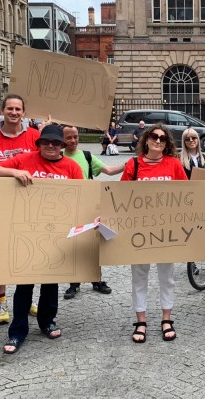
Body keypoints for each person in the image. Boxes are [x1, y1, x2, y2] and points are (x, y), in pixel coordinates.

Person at [0, 124, 84, 354]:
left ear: (63, 145)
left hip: (55, 232)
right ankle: (18, 331)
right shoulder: (24, 159)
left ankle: (47, 321)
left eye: (56, 142)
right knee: (24, 283)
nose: (51, 146)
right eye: (46, 142)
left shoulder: (71, 167)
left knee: (51, 281)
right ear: (38, 143)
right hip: (25, 231)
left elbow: (82, 197)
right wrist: (14, 172)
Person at [0, 94, 41, 324]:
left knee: (28, 251)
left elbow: (46, 162)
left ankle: (28, 298)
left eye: (18, 109)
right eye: (10, 108)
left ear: (24, 112)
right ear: (3, 110)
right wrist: (11, 172)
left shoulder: (35, 136)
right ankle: (1, 302)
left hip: (28, 202)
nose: (14, 112)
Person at [121, 123, 188, 343]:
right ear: (146, 139)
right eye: (153, 136)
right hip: (139, 231)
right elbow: (120, 198)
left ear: (167, 143)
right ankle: (141, 320)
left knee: (166, 276)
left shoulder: (173, 164)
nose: (158, 140)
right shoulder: (134, 164)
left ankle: (166, 318)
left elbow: (188, 195)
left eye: (162, 138)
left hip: (166, 230)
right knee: (139, 276)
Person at [62, 125, 125, 299]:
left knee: (92, 243)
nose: (73, 140)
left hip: (88, 204)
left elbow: (109, 171)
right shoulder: (58, 157)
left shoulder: (86, 156)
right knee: (73, 243)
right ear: (62, 139)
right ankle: (74, 282)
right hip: (67, 206)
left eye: (75, 136)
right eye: (69, 137)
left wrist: (129, 164)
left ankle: (96, 279)